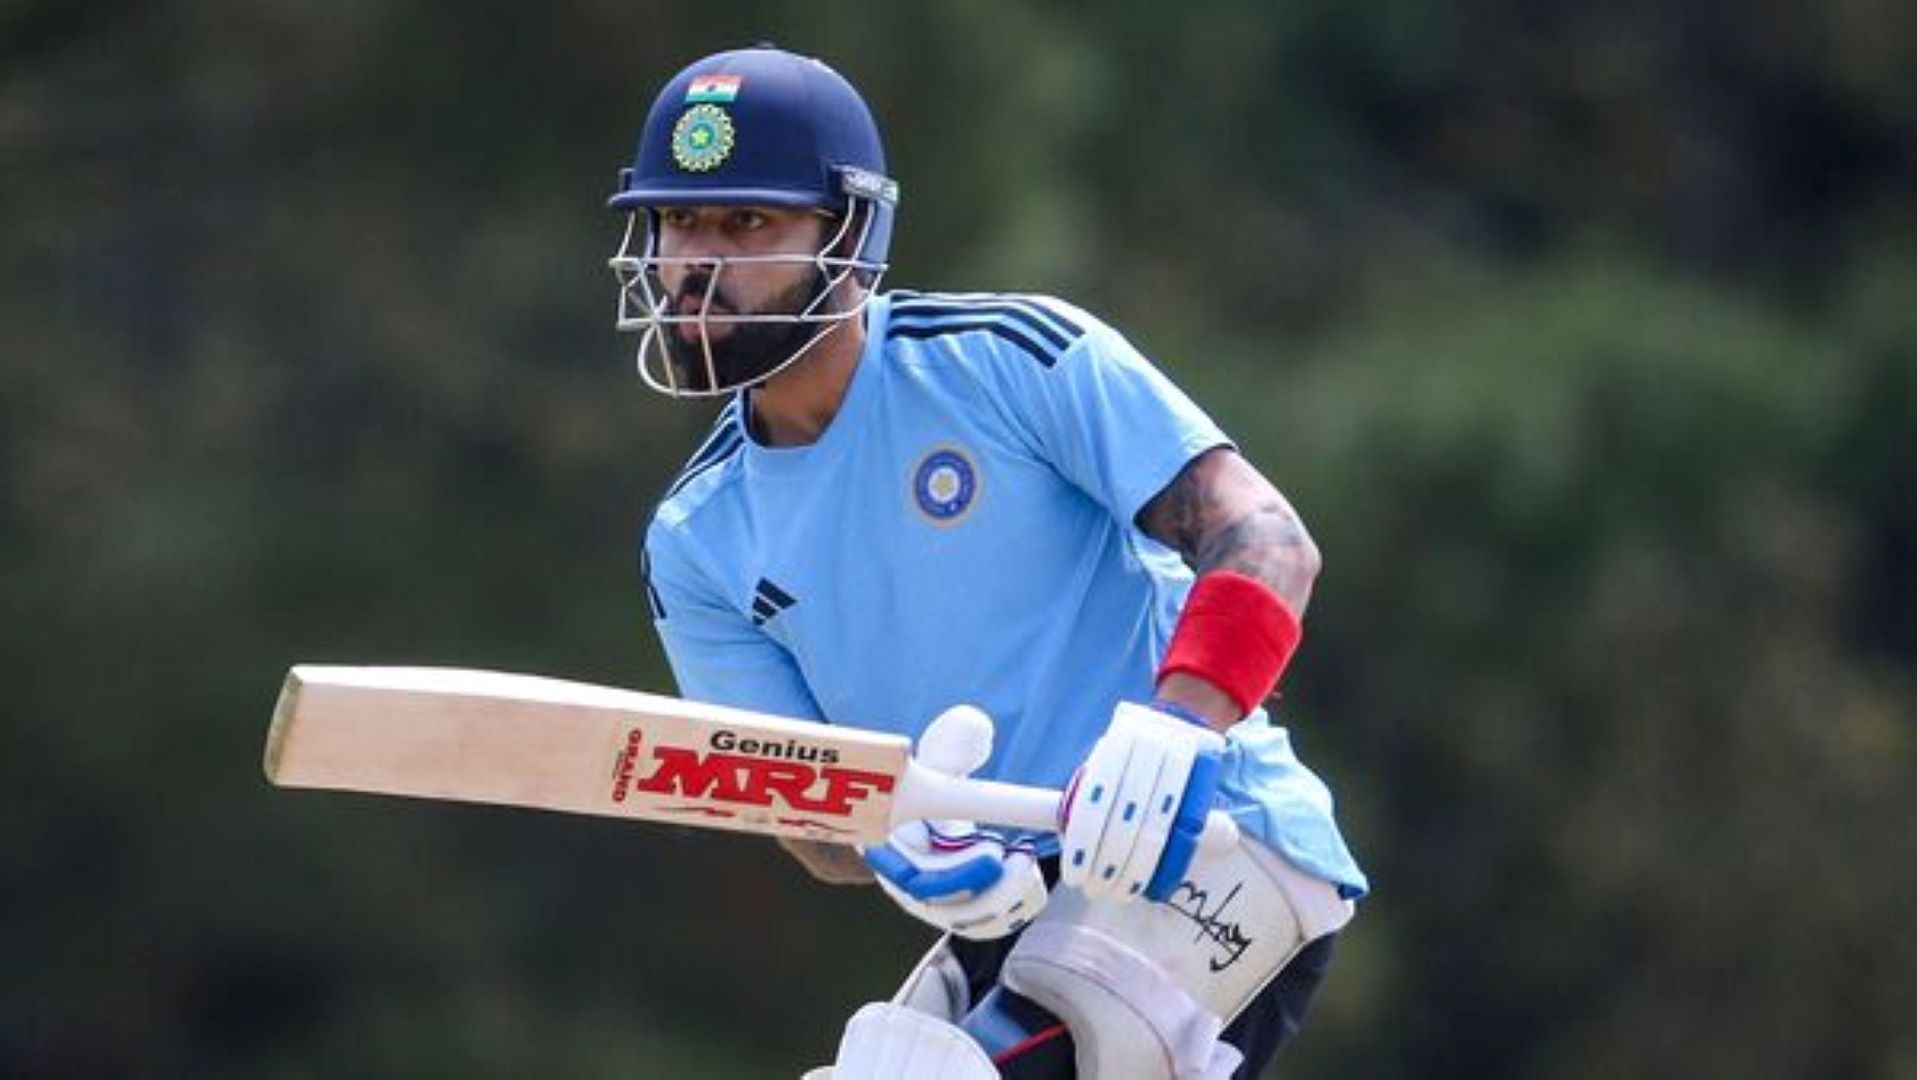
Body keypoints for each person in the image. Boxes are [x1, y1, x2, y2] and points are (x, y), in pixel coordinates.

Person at [610, 44, 1368, 1079]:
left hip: (1216, 847)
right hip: (1013, 905)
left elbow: (1266, 540)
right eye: (678, 223)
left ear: (852, 235)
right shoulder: (696, 541)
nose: (700, 265)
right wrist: (899, 839)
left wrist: (1178, 730)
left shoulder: (1003, 360)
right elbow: (812, 822)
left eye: (749, 224)